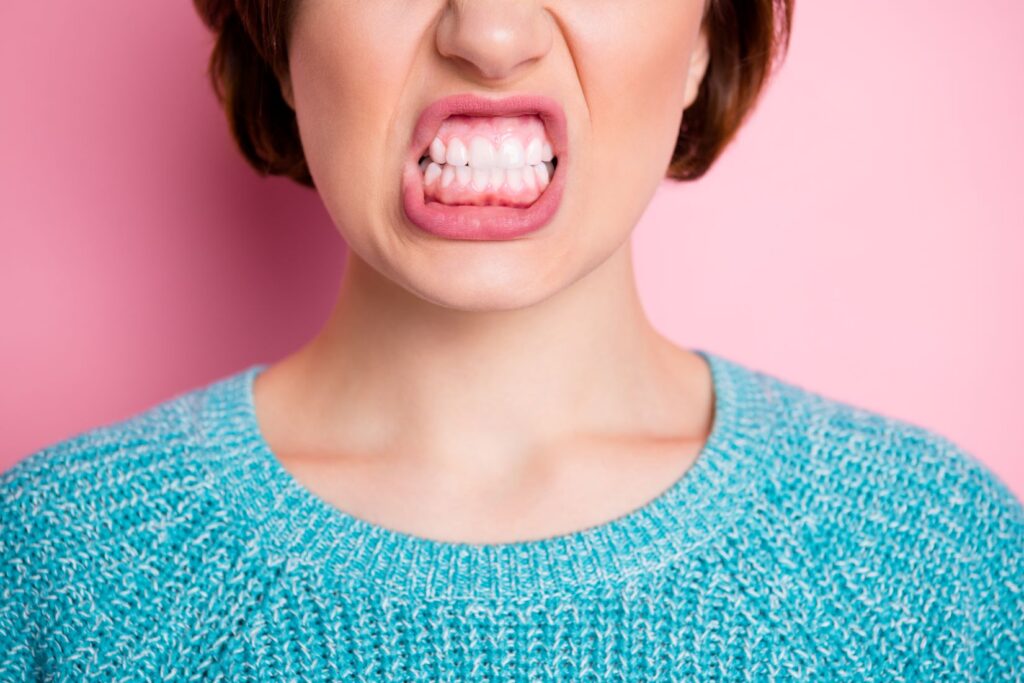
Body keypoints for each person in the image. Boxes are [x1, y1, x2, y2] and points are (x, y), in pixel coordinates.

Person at [2, 0, 1021, 679]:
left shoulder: (936, 566)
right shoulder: (55, 567)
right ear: (280, 28)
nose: (489, 34)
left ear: (708, 29)